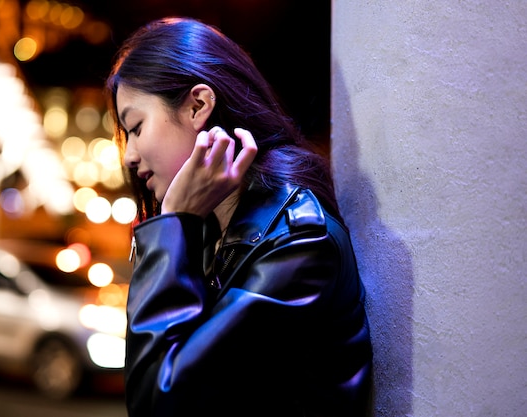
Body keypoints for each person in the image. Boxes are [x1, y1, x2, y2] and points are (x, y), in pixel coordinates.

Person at [105, 16, 373, 417]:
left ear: (198, 105)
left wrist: (175, 220)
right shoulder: (215, 235)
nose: (128, 155)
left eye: (136, 127)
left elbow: (158, 403)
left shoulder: (297, 241)